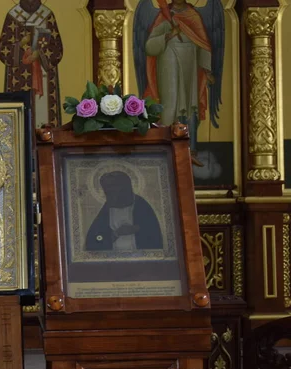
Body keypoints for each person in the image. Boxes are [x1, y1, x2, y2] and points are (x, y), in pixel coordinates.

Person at [134, 0, 224, 167]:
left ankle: (191, 150)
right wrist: (169, 35)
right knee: (170, 103)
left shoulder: (194, 15)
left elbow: (203, 43)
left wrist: (207, 70)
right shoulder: (164, 16)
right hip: (168, 64)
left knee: (191, 106)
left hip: (191, 66)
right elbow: (150, 47)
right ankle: (166, 149)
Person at [0, 0, 63, 128]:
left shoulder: (47, 15)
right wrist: (20, 44)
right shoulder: (13, 15)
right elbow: (3, 50)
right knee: (19, 124)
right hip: (19, 77)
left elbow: (57, 49)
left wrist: (40, 54)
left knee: (45, 117)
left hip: (44, 78)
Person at [86, 171, 163, 251]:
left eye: (114, 188)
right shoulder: (106, 209)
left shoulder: (141, 205)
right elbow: (94, 240)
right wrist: (116, 234)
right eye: (107, 190)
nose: (110, 193)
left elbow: (153, 233)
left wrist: (137, 229)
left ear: (125, 188)